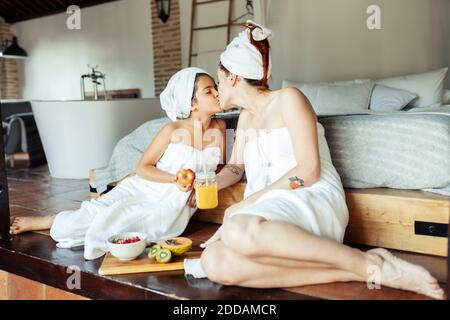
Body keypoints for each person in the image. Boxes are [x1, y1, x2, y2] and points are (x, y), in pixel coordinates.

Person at [185, 21, 444, 300]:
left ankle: (368, 263)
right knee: (214, 262)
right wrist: (208, 182)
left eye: (219, 79)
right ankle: (362, 269)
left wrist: (247, 204)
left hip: (307, 194)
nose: (217, 88)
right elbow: (236, 168)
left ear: (233, 78)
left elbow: (308, 171)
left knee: (236, 228)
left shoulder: (289, 99)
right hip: (269, 210)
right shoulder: (246, 118)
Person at [9, 67, 226, 260]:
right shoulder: (172, 130)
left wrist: (203, 187)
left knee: (125, 225)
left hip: (173, 203)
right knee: (96, 214)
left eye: (215, 87)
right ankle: (49, 220)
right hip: (147, 186)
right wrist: (174, 178)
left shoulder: (221, 127)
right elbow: (143, 167)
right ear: (192, 103)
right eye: (208, 91)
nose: (217, 92)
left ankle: (66, 221)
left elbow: (217, 167)